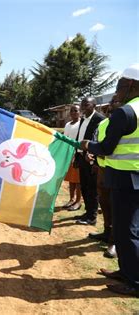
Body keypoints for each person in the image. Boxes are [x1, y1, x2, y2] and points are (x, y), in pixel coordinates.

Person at [82, 64, 139, 298]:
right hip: (134, 177)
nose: (117, 91)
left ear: (132, 85)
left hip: (125, 178)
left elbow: (106, 148)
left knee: (128, 232)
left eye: (120, 85)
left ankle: (134, 282)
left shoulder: (125, 113)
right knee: (128, 229)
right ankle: (126, 271)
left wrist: (87, 145)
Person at [74, 97, 105, 225]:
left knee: (92, 187)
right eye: (82, 105)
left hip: (91, 158)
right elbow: (80, 138)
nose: (83, 107)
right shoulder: (83, 118)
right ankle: (87, 211)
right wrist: (76, 155)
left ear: (94, 105)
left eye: (86, 105)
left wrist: (93, 156)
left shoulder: (100, 119)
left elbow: (99, 140)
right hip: (81, 157)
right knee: (84, 186)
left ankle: (92, 216)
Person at [62, 105, 82, 211]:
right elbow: (65, 139)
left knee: (78, 179)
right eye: (72, 111)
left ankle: (78, 201)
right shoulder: (67, 125)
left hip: (77, 154)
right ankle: (71, 199)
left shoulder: (81, 124)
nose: (74, 112)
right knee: (71, 179)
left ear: (80, 112)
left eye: (76, 111)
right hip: (69, 154)